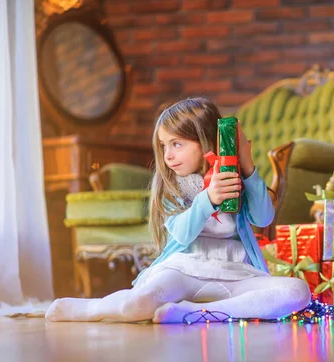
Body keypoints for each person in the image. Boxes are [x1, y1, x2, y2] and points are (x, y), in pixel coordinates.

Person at [45, 97, 311, 323]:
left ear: (206, 141)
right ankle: (91, 308)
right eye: (164, 146)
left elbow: (264, 217)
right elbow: (182, 235)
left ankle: (196, 313)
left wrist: (247, 165)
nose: (168, 156)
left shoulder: (234, 178)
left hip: (235, 271)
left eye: (177, 144)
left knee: (297, 292)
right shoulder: (172, 187)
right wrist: (207, 199)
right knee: (138, 304)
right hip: (185, 270)